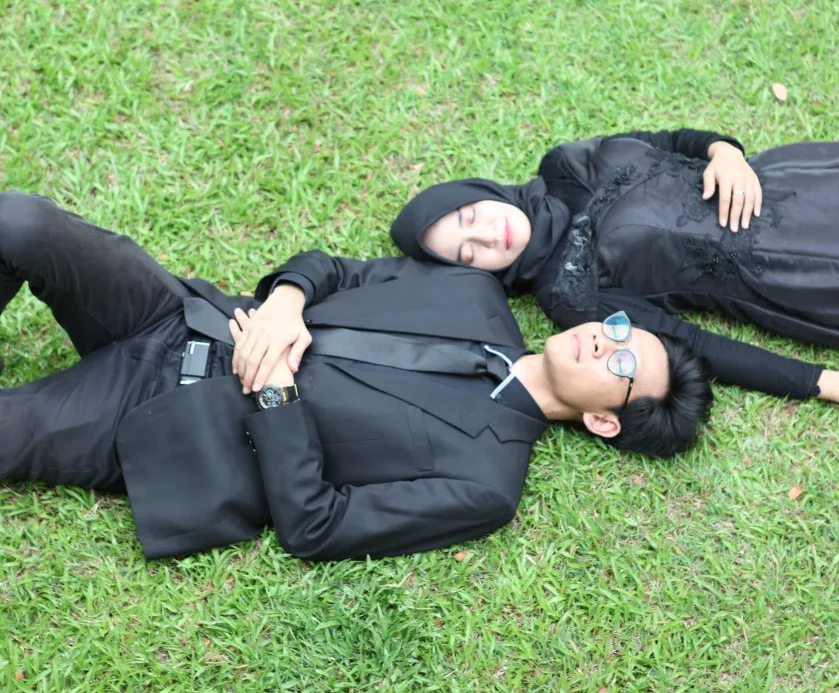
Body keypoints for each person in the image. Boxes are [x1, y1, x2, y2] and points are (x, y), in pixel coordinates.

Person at [0, 191, 711, 562]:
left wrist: (276, 394)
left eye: (622, 365)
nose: (604, 340)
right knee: (21, 221)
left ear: (603, 421)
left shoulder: (486, 485)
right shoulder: (474, 292)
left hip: (163, 418)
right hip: (183, 315)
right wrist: (287, 300)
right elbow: (335, 269)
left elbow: (317, 527)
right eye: (622, 331)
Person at [390, 129, 839, 405]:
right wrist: (821, 382)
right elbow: (694, 344)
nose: (488, 235)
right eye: (470, 254)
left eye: (470, 217)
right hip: (796, 270)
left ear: (476, 192)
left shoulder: (563, 164)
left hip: (799, 183)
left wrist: (726, 153)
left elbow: (670, 142)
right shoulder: (568, 292)